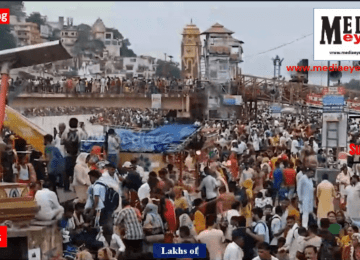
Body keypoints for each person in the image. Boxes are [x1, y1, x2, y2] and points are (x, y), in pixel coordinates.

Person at [61, 118, 81, 191]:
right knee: (76, 172)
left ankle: (66, 188)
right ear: (77, 123)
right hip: (77, 156)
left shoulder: (65, 132)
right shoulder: (80, 132)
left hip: (67, 155)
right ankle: (75, 188)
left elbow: (61, 142)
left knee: (66, 173)